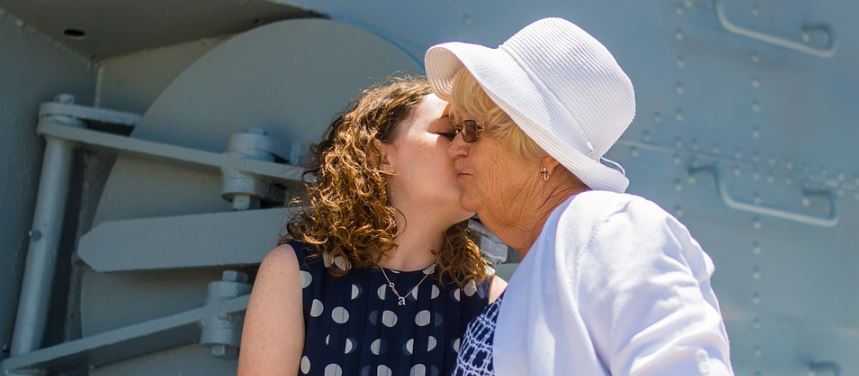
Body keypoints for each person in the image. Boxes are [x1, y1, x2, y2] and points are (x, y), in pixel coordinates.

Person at [424, 18, 733, 375]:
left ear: (543, 149)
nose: (455, 148)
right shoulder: (546, 260)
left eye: (471, 129)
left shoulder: (609, 228)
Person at [237, 76, 506, 375]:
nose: (463, 147)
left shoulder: (492, 300)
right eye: (448, 132)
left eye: (470, 135)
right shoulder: (295, 273)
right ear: (379, 156)